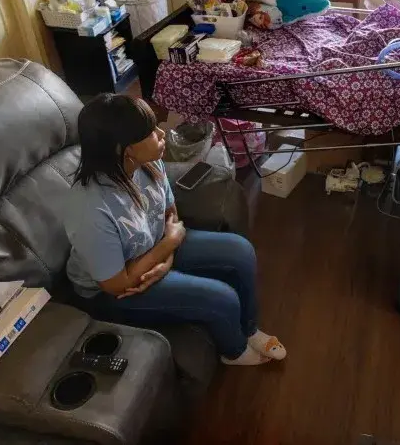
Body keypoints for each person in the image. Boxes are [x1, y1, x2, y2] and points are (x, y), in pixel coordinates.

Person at [63, 93, 285, 366]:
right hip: (111, 291)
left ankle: (249, 329)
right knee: (222, 299)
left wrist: (165, 261)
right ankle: (235, 351)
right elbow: (116, 283)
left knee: (241, 251)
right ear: (124, 148)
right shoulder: (90, 209)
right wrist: (168, 245)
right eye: (150, 132)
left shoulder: (148, 162)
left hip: (155, 247)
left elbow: (170, 212)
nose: (162, 133)